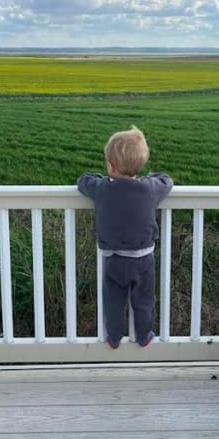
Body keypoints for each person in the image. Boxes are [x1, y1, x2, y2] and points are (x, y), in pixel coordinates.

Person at [77, 125, 173, 349]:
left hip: (114, 259)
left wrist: (101, 178)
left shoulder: (102, 188)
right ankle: (143, 336)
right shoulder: (149, 189)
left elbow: (84, 181)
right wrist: (150, 177)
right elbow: (166, 181)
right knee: (143, 301)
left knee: (113, 301)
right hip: (143, 260)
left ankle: (114, 337)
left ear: (110, 166)